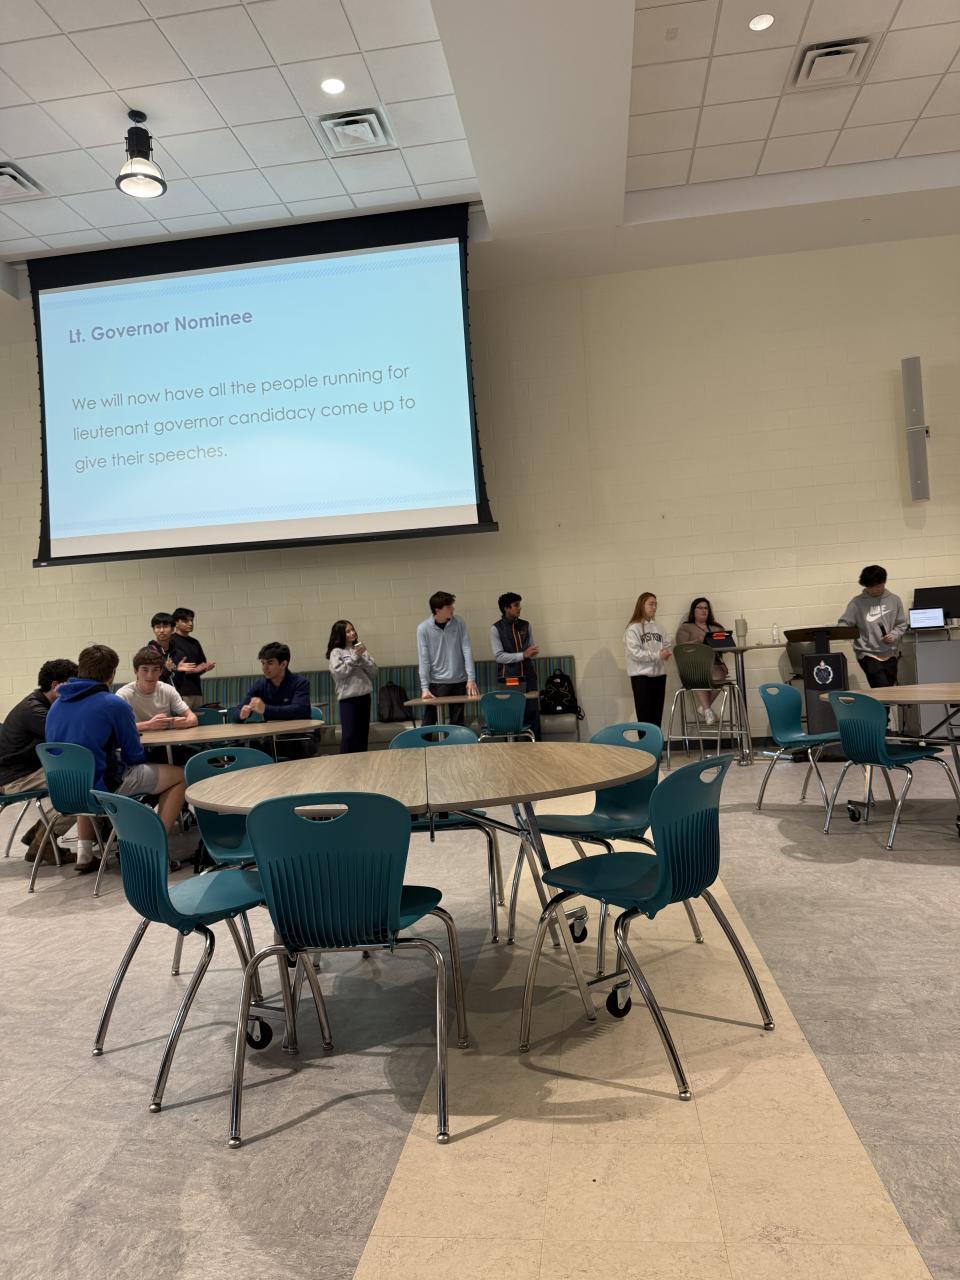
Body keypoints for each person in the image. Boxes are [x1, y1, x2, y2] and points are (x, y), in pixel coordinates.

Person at [45, 645, 186, 875]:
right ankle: (154, 847)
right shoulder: (113, 703)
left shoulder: (56, 704)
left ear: (80, 670)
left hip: (65, 790)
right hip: (103, 788)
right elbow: (134, 755)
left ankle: (84, 853)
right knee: (179, 776)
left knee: (85, 772)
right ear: (111, 675)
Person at [0, 658, 79, 863]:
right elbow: (69, 737)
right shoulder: (35, 711)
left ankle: (39, 835)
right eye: (73, 684)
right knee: (82, 782)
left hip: (22, 773)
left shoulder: (40, 704)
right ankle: (43, 841)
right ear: (56, 686)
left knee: (81, 777)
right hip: (15, 779)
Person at [838, 565, 907, 689]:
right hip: (867, 653)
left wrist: (893, 635)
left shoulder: (894, 600)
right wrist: (842, 630)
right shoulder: (856, 602)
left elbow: (901, 624)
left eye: (878, 586)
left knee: (888, 690)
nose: (874, 590)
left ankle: (880, 703)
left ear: (884, 582)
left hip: (890, 652)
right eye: (870, 587)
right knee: (881, 688)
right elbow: (844, 623)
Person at [416, 591, 478, 727]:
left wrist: (471, 679)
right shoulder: (423, 628)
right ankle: (424, 742)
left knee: (458, 723)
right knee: (429, 720)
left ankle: (456, 742)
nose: (453, 609)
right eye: (448, 607)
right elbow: (424, 659)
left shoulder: (459, 622)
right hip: (437, 682)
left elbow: (467, 650)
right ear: (437, 610)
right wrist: (424, 687)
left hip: (460, 680)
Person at [490, 591, 541, 739]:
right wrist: (523, 655)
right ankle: (511, 748)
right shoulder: (496, 629)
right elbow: (499, 656)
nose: (519, 608)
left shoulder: (526, 625)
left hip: (529, 676)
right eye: (516, 605)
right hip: (509, 678)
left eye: (519, 605)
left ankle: (535, 747)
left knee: (533, 714)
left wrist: (532, 652)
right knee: (510, 716)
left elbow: (530, 649)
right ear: (506, 608)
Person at [117, 647, 198, 734]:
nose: (150, 675)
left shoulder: (168, 690)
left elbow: (193, 718)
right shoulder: (123, 694)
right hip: (138, 741)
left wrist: (185, 723)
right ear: (136, 671)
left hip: (166, 740)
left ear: (160, 672)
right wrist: (148, 725)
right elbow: (116, 727)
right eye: (145, 670)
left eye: (155, 670)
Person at [326, 620, 378, 753]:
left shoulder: (360, 648)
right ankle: (344, 762)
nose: (353, 633)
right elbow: (339, 673)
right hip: (348, 699)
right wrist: (354, 658)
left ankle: (362, 762)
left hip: (364, 696)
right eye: (348, 631)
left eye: (353, 629)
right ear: (340, 634)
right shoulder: (336, 652)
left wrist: (363, 659)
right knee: (349, 736)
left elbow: (374, 672)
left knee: (362, 735)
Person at [675, 597, 728, 724]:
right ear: (693, 611)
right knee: (698, 673)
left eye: (706, 608)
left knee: (720, 675)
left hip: (714, 665)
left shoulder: (716, 628)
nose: (703, 610)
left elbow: (726, 648)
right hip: (693, 665)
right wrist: (698, 641)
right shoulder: (686, 627)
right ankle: (708, 710)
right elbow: (680, 647)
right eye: (700, 608)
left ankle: (704, 708)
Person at [624, 592, 671, 727]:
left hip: (659, 675)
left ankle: (656, 741)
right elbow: (635, 653)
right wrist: (657, 655)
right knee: (644, 717)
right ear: (641, 605)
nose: (654, 607)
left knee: (657, 717)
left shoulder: (659, 627)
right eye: (651, 604)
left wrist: (666, 652)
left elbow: (666, 644)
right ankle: (645, 741)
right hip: (641, 676)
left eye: (655, 604)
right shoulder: (633, 628)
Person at [238, 642, 311, 722]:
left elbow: (299, 711)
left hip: (299, 729)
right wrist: (241, 715)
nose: (264, 668)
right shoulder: (260, 685)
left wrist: (265, 709)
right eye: (263, 663)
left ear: (283, 664)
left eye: (270, 663)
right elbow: (235, 712)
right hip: (272, 729)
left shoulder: (300, 683)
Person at [170, 607, 215, 709]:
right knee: (183, 718)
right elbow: (173, 669)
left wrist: (205, 668)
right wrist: (194, 670)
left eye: (191, 620)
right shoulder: (171, 641)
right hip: (180, 691)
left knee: (198, 718)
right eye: (186, 621)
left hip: (196, 690)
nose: (190, 623)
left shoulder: (194, 642)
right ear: (176, 623)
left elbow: (200, 666)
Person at [146, 611, 177, 685]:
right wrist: (167, 670)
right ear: (154, 630)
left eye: (165, 627)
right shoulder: (148, 652)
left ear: (172, 629)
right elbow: (148, 679)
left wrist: (180, 671)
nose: (162, 630)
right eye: (158, 627)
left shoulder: (177, 652)